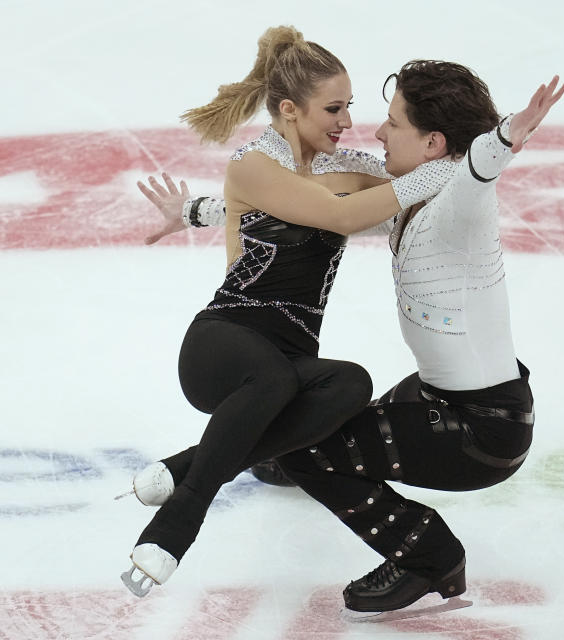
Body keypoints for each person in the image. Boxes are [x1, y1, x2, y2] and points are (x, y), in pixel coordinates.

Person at [135, 61, 564, 617]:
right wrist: (196, 211)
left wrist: (505, 137)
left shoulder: (461, 203)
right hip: (435, 397)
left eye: (393, 124)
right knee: (314, 417)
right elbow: (293, 216)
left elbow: (478, 171)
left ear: (433, 143)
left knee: (311, 454)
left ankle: (428, 556)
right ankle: (269, 452)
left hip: (480, 430)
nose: (377, 134)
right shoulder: (414, 201)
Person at [120, 26, 460, 598]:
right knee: (274, 377)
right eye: (333, 107)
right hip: (223, 344)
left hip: (291, 366)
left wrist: (196, 210)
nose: (347, 120)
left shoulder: (342, 168)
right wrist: (445, 170)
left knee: (351, 383)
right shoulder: (254, 164)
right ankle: (176, 525)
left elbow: (396, 195)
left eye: (349, 105)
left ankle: (188, 465)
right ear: (288, 109)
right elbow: (337, 214)